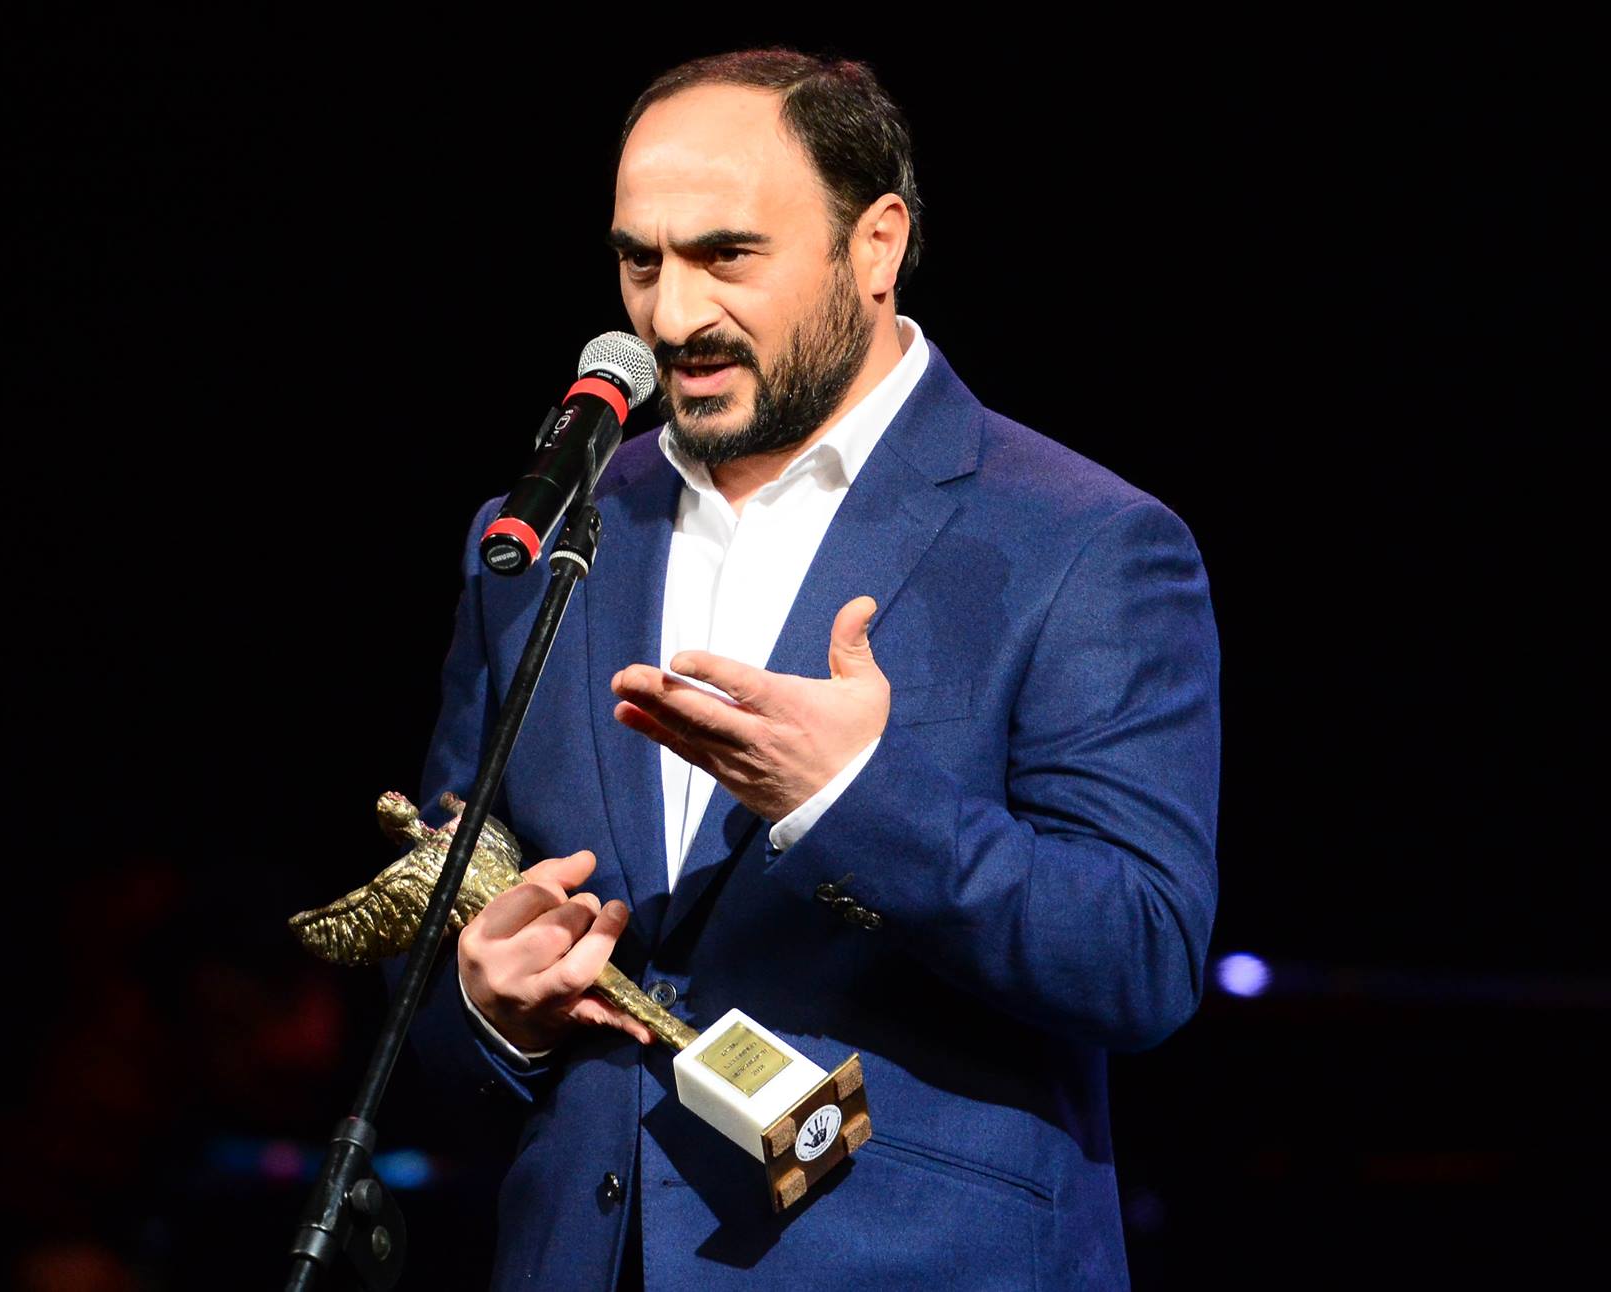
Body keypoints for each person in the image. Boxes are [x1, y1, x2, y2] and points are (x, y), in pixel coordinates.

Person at [405, 47, 1220, 1290]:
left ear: (875, 244)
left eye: (727, 254)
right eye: (640, 260)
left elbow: (1139, 954)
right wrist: (482, 1004)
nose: (671, 316)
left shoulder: (1079, 540)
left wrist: (848, 799)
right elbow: (437, 929)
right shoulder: (541, 533)